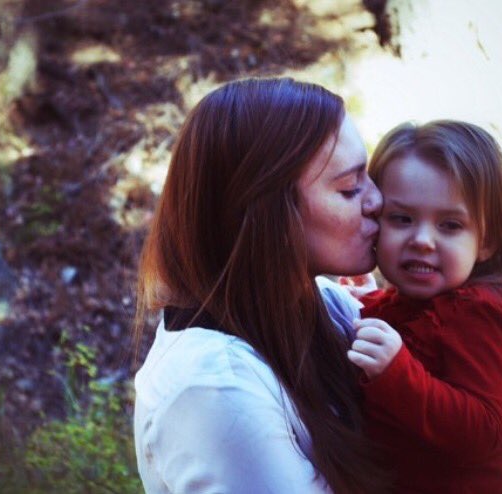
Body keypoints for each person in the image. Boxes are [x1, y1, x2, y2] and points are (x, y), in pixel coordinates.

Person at [133, 77, 388, 493]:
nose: (377, 200)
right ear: (269, 213)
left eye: (369, 176)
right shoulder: (214, 389)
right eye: (349, 188)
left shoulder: (322, 300)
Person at [345, 120, 502, 493]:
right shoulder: (414, 302)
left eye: (449, 225)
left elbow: (483, 431)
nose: (422, 240)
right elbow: (412, 325)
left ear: (487, 242)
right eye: (402, 219)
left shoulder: (480, 313)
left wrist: (396, 373)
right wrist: (363, 300)